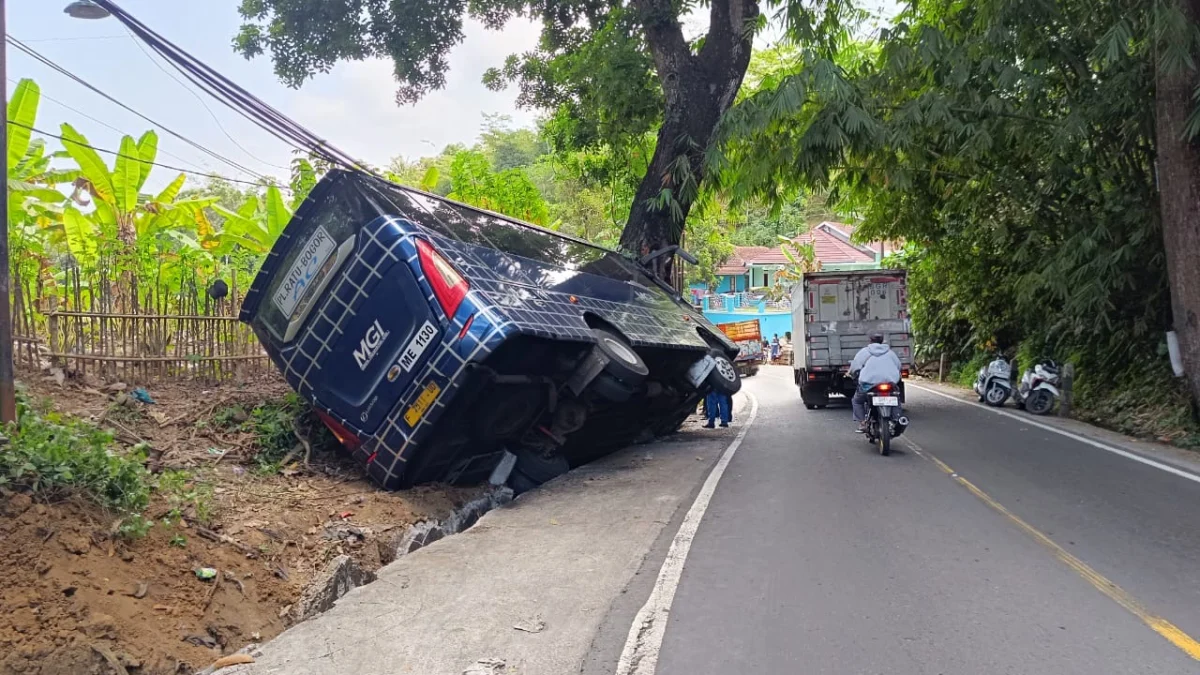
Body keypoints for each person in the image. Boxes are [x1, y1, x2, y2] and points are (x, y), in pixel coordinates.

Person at [848, 333, 902, 432]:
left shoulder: (864, 352)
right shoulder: (890, 352)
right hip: (889, 383)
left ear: (870, 341)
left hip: (869, 385)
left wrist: (852, 375)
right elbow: (898, 366)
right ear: (882, 341)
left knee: (857, 401)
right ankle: (896, 419)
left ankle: (863, 423)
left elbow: (854, 367)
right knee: (896, 399)